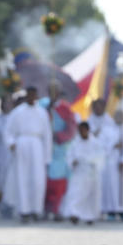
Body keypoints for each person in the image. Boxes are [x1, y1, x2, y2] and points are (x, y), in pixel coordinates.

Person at [3, 86, 52, 222]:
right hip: (22, 144)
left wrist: (47, 156)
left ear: (36, 96)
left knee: (37, 180)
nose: (31, 97)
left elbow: (47, 135)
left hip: (37, 146)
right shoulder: (17, 112)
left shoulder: (42, 112)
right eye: (29, 94)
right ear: (26, 96)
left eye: (34, 94)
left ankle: (36, 210)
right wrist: (11, 143)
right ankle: (23, 210)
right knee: (22, 178)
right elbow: (8, 131)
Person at [61, 121, 104, 224]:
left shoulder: (95, 143)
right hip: (79, 172)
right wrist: (72, 162)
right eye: (80, 130)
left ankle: (90, 216)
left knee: (90, 196)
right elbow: (69, 156)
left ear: (88, 130)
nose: (82, 132)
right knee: (75, 194)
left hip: (91, 173)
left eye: (84, 130)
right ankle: (74, 214)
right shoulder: (75, 143)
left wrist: (94, 164)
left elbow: (101, 157)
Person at [46, 89, 77, 220]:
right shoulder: (43, 106)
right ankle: (46, 209)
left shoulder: (65, 108)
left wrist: (58, 136)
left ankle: (58, 210)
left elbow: (71, 129)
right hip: (45, 148)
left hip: (59, 148)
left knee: (58, 182)